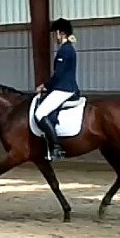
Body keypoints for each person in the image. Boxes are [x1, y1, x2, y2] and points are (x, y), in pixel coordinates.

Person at [34, 18, 80, 160]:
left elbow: (58, 75)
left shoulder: (65, 51)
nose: (54, 37)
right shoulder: (67, 49)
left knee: (40, 114)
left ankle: (56, 147)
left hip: (63, 89)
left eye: (55, 34)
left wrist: (45, 86)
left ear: (61, 33)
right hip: (66, 87)